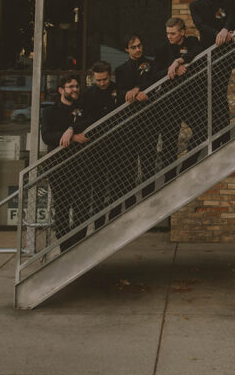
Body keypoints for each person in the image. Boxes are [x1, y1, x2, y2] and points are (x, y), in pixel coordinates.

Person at [40, 72, 90, 251]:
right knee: (61, 209)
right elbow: (46, 136)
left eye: (77, 86)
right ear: (61, 90)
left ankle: (77, 246)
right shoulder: (49, 112)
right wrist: (70, 137)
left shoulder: (83, 108)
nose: (75, 89)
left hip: (81, 167)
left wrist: (71, 129)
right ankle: (65, 248)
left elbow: (89, 121)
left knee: (82, 209)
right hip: (59, 167)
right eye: (71, 87)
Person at [189, 0, 235, 147]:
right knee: (210, 96)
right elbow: (200, 25)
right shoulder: (195, 5)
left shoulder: (228, 2)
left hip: (224, 54)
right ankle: (214, 133)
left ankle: (223, 134)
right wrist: (219, 33)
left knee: (219, 93)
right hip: (207, 54)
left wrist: (225, 31)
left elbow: (232, 20)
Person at [152, 17, 204, 177]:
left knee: (203, 130)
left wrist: (179, 61)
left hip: (190, 99)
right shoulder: (161, 49)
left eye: (173, 33)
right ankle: (170, 178)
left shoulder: (192, 40)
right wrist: (172, 71)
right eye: (168, 33)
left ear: (182, 32)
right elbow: (155, 74)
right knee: (169, 140)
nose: (169, 36)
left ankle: (187, 166)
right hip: (170, 100)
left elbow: (196, 52)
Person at [114, 33, 158, 199]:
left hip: (148, 121)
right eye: (134, 47)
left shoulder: (151, 64)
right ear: (127, 49)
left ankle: (148, 198)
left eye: (139, 45)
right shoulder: (120, 70)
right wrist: (129, 93)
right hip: (129, 123)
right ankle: (130, 201)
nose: (138, 49)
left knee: (148, 162)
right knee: (128, 164)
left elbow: (155, 80)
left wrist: (138, 88)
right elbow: (119, 92)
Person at [76, 61, 119, 226]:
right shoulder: (87, 94)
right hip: (93, 147)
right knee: (97, 187)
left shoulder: (117, 90)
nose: (102, 83)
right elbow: (82, 117)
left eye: (105, 79)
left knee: (116, 184)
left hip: (114, 145)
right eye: (98, 80)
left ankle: (113, 221)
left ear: (110, 75)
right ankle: (98, 223)